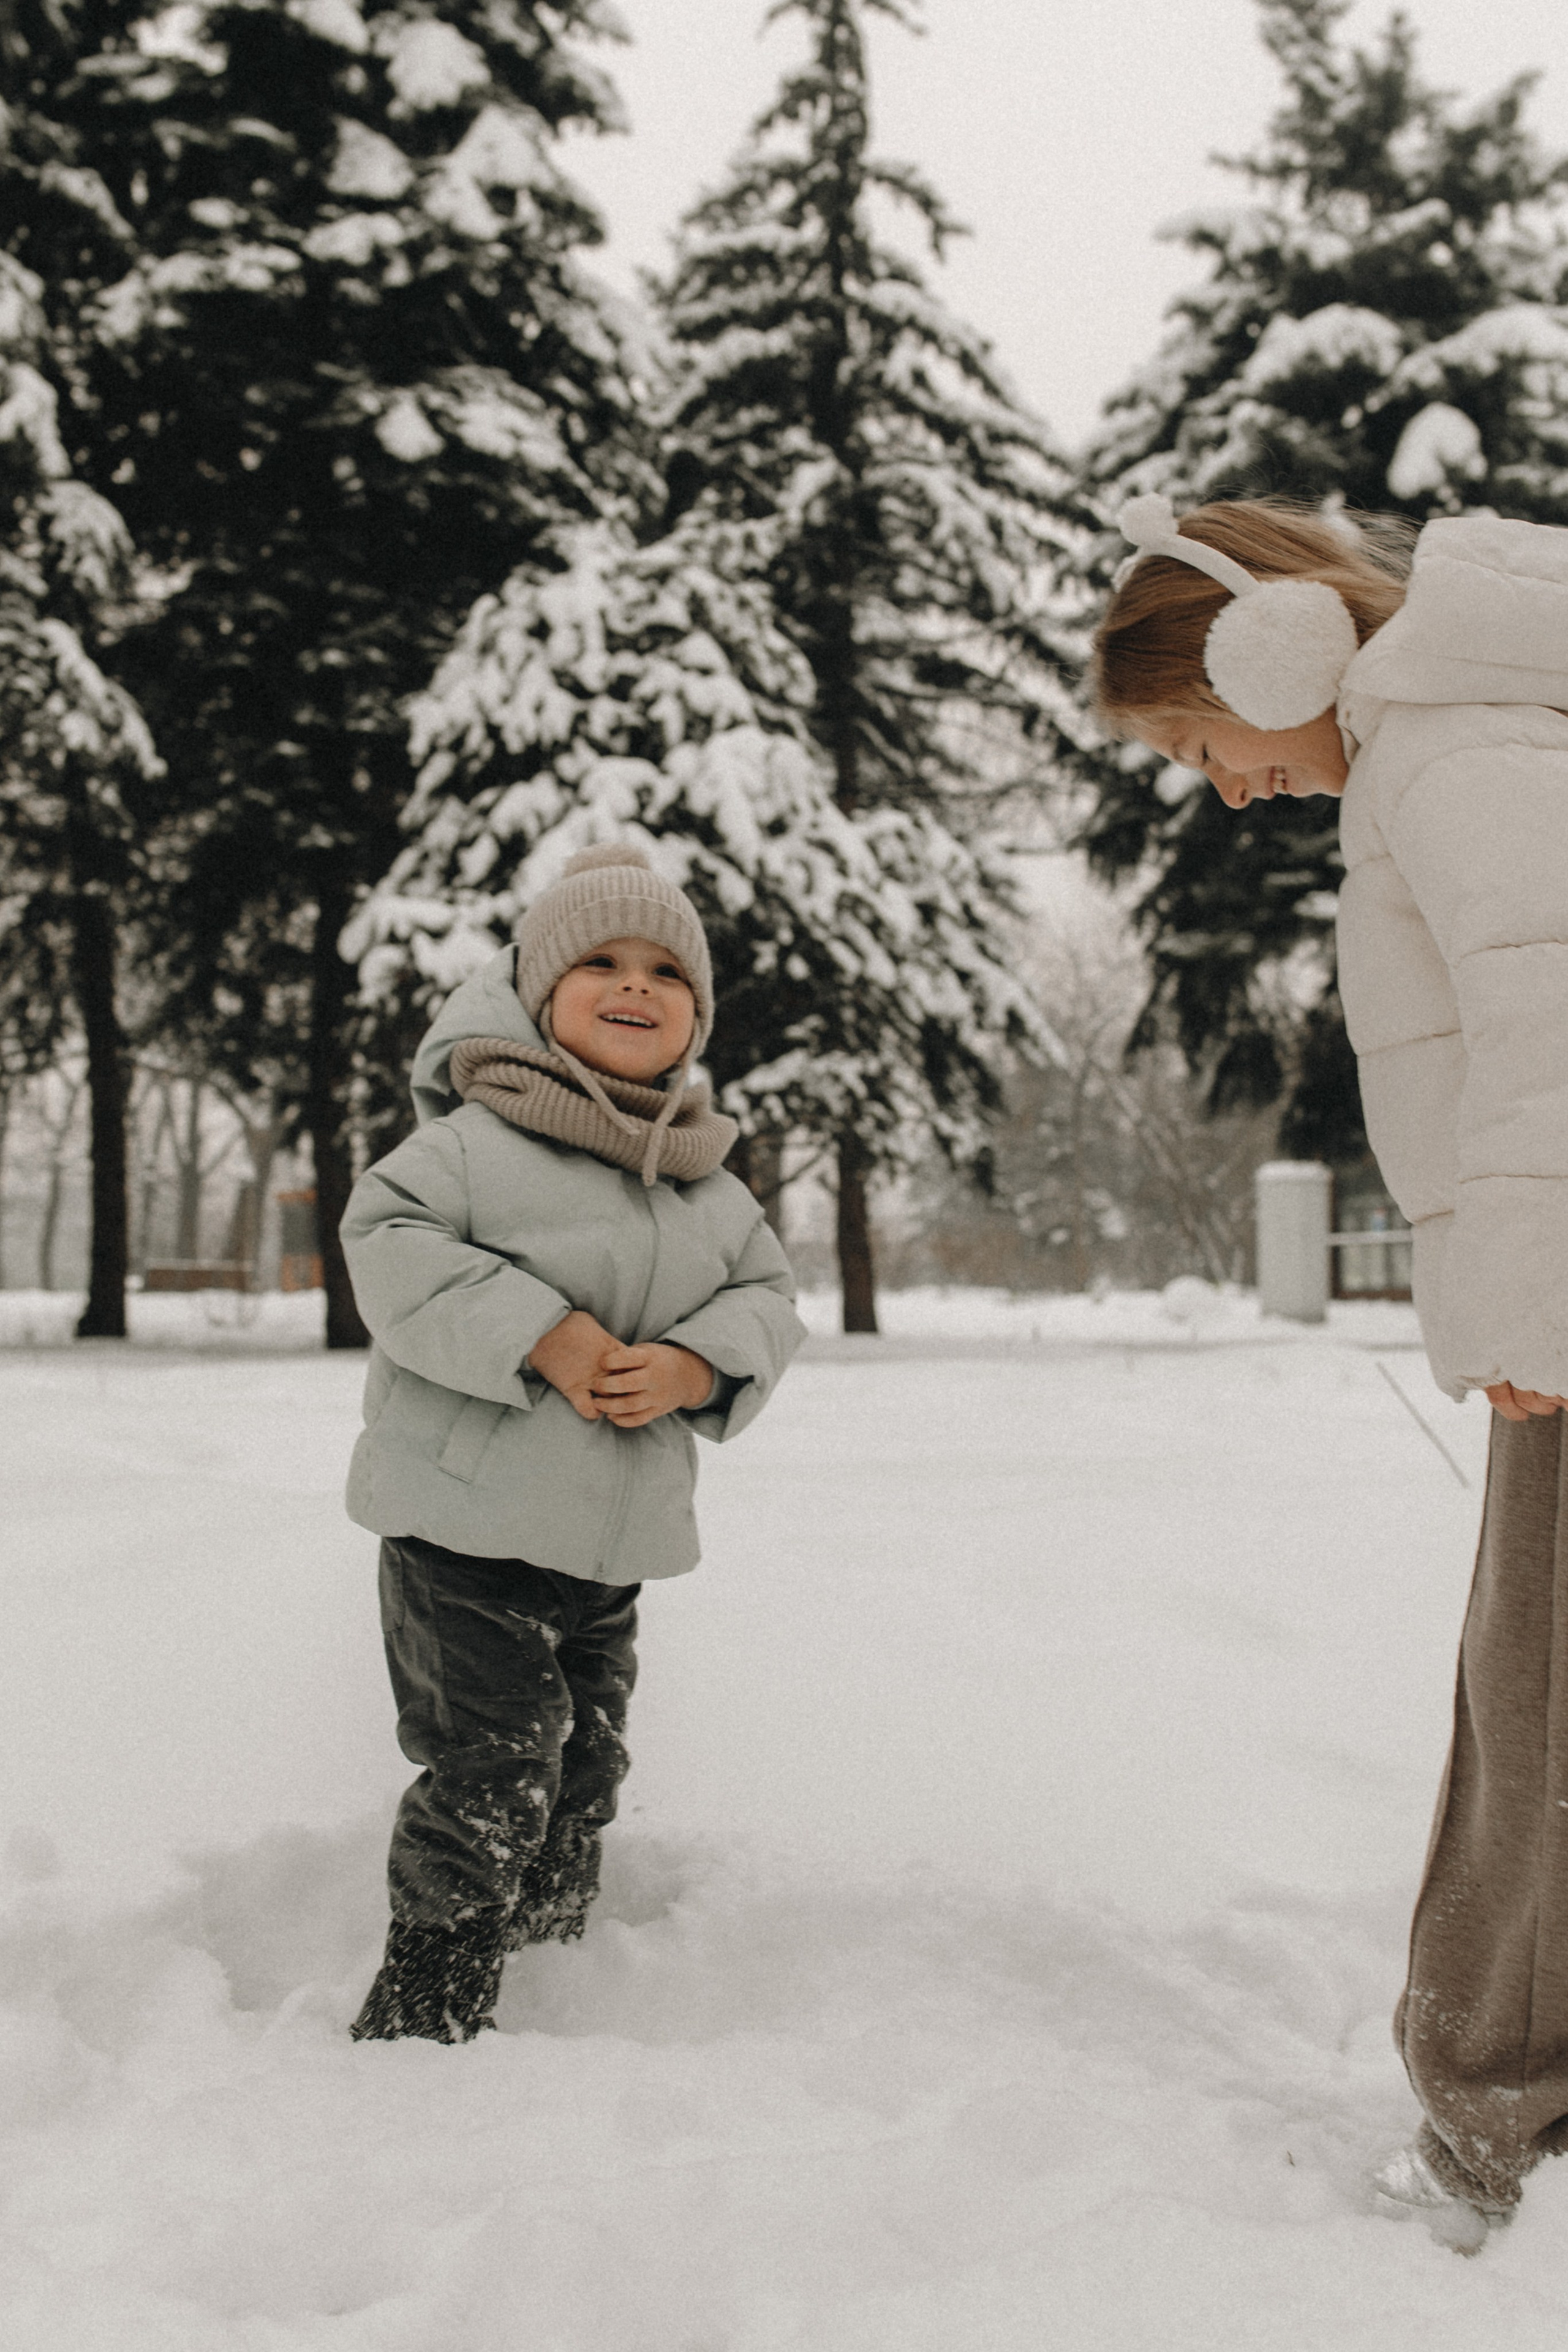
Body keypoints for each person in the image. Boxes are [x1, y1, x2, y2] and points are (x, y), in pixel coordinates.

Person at [1094, 492, 1568, 2249]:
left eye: (1197, 743)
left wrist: (1525, 1304)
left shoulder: (1445, 746)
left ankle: (1503, 2128)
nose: (1224, 789)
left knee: (1536, 1711)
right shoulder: (1468, 719)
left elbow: (1549, 1026)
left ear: (1269, 645)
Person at [340, 842, 804, 2044]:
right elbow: (387, 1246)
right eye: (600, 962)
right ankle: (426, 2011)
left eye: (667, 971)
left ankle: (553, 1962)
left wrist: (696, 1363)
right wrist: (538, 1333)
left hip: (606, 1545)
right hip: (460, 1534)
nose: (635, 984)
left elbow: (766, 1298)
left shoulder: (705, 1183)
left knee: (585, 1764)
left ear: (696, 1018)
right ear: (539, 996)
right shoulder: (470, 1143)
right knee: (495, 1763)